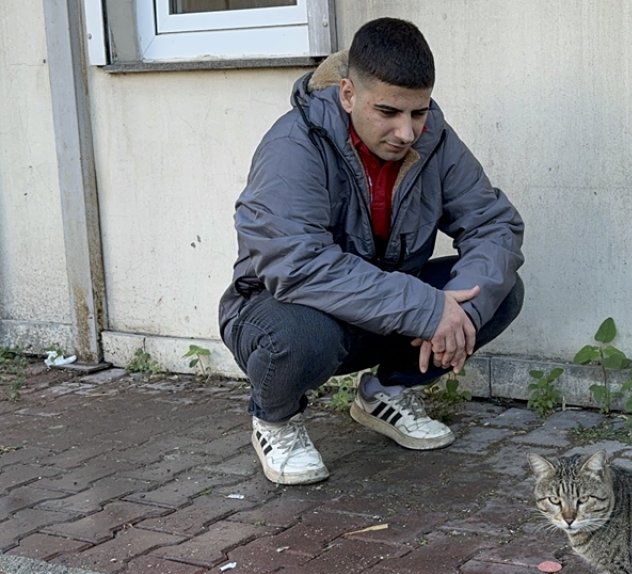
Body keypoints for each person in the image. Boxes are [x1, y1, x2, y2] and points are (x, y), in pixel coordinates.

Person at [218, 17, 525, 485]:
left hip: (378, 309)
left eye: (417, 113)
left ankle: (387, 392)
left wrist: (458, 306)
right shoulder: (294, 143)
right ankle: (274, 419)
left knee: (496, 291)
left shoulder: (435, 140)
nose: (406, 132)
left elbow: (493, 223)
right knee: (301, 338)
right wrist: (426, 309)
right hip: (278, 309)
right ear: (347, 94)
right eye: (388, 112)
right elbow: (295, 265)